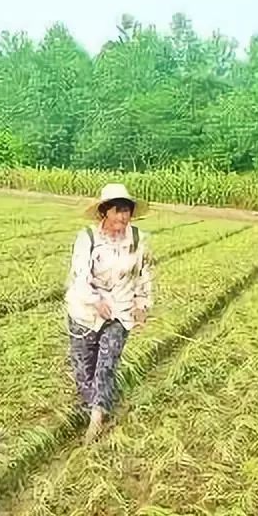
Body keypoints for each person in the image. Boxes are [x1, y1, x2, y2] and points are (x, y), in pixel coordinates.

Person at [65, 183, 153, 445]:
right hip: (84, 312)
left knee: (106, 365)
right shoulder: (87, 238)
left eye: (127, 212)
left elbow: (144, 274)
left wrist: (142, 305)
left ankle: (97, 420)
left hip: (120, 313)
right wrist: (95, 301)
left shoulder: (137, 240)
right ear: (104, 212)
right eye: (118, 211)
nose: (123, 218)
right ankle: (93, 405)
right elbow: (80, 275)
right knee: (84, 369)